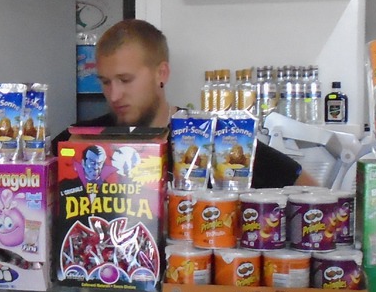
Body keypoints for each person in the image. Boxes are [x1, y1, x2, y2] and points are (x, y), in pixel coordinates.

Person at [55, 19, 309, 189]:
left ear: (161, 73)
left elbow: (307, 189)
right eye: (106, 82)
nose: (114, 95)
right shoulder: (79, 139)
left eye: (125, 80)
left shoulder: (216, 136)